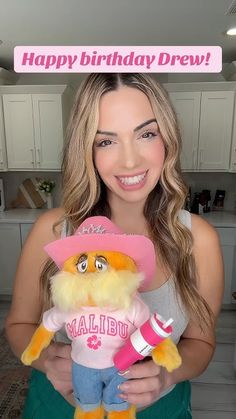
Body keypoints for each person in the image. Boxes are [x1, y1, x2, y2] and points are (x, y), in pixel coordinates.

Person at [5, 73, 224, 419]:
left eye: (146, 133)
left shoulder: (199, 241)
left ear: (167, 138)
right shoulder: (53, 230)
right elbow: (19, 326)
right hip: (62, 405)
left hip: (160, 408)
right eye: (106, 141)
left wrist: (168, 374)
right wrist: (49, 361)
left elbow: (201, 344)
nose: (130, 161)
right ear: (87, 150)